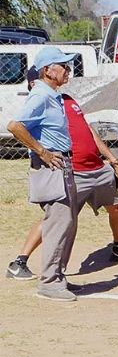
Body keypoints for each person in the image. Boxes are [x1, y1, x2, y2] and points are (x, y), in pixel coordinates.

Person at [5, 47, 84, 301]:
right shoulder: (40, 95)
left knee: (67, 224)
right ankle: (49, 282)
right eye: (63, 66)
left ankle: (57, 277)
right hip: (53, 167)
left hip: (63, 165)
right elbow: (14, 126)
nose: (67, 70)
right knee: (58, 224)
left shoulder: (53, 95)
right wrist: (43, 151)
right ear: (48, 70)